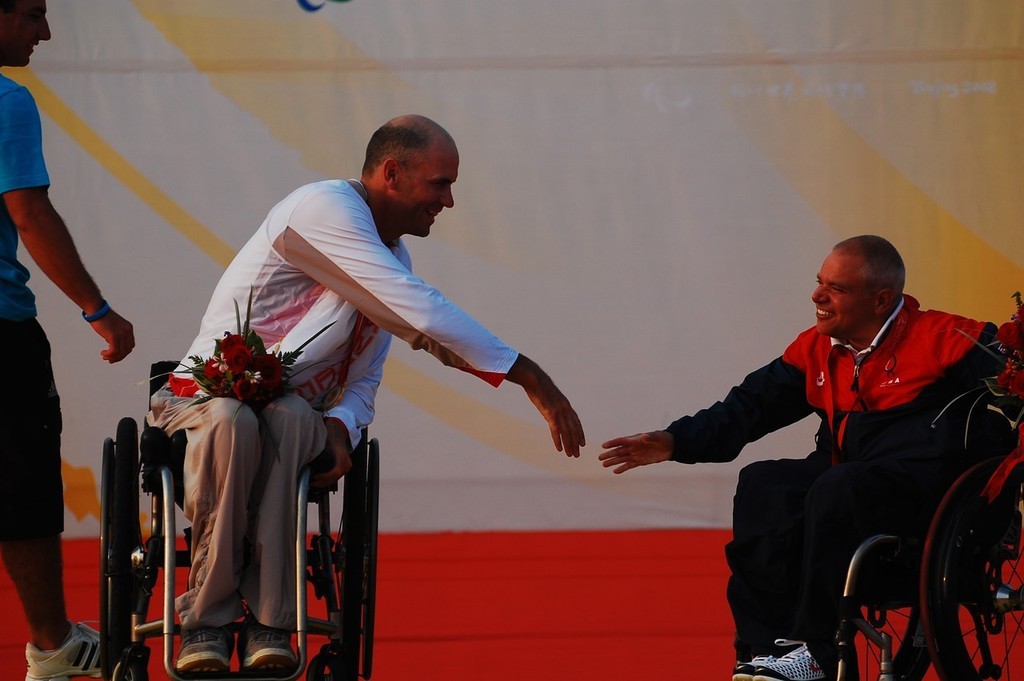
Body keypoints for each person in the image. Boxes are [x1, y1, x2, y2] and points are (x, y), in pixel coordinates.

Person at [148, 114, 586, 673]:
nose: (449, 201)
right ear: (393, 173)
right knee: (236, 420)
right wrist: (530, 376)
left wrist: (343, 426)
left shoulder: (391, 258)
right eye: (440, 184)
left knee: (290, 421)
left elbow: (364, 380)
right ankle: (205, 623)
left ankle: (271, 623)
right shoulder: (322, 209)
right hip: (201, 404)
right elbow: (416, 312)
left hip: (286, 411)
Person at [599, 235, 1014, 681]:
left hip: (920, 489)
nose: (817, 296)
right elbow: (748, 407)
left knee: (837, 486)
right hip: (850, 477)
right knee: (764, 483)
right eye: (819, 283)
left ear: (881, 300)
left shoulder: (946, 338)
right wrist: (676, 441)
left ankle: (816, 652)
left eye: (835, 288)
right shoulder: (816, 348)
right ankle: (763, 653)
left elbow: (1015, 381)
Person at [0, 2, 136, 680]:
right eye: (31, 14)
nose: (45, 32)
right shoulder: (5, 99)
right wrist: (97, 308)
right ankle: (53, 648)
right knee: (19, 490)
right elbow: (29, 213)